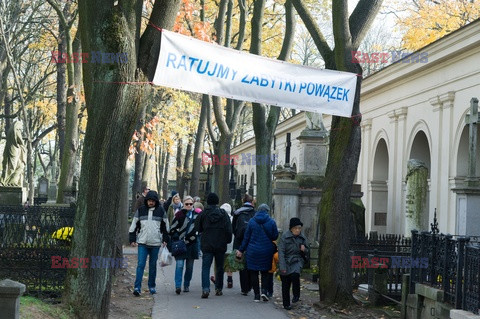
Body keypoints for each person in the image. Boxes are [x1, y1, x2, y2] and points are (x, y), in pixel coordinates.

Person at [129, 190, 169, 296]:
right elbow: (133, 225)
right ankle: (137, 287)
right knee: (140, 265)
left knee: (152, 266)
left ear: (156, 201)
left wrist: (166, 239)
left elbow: (166, 227)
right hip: (142, 242)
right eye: (149, 201)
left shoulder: (161, 211)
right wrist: (132, 239)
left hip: (155, 243)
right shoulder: (140, 210)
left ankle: (152, 286)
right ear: (146, 201)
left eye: (153, 201)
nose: (151, 202)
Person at [236, 204, 278, 302]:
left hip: (252, 251)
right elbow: (275, 236)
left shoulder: (251, 221)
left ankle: (256, 295)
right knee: (265, 272)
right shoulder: (271, 222)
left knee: (253, 272)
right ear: (267, 211)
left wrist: (241, 250)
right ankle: (264, 291)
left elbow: (246, 238)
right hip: (266, 251)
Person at [195, 192, 232, 299]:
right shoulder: (223, 214)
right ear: (217, 202)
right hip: (220, 244)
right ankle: (219, 288)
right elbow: (229, 229)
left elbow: (197, 227)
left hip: (207, 244)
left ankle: (205, 288)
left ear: (207, 202)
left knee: (206, 267)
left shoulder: (203, 214)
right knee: (220, 267)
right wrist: (227, 241)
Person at [169, 196, 200, 294]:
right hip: (180, 244)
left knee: (189, 267)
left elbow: (201, 227)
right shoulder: (179, 215)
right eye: (187, 204)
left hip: (193, 244)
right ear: (183, 204)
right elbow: (172, 228)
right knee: (179, 265)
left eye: (191, 204)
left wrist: (197, 235)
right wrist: (177, 236)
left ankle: (186, 284)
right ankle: (178, 285)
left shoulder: (197, 215)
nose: (189, 206)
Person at [278, 217, 309, 310]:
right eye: (296, 228)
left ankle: (296, 295)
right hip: (286, 261)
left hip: (297, 260)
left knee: (295, 275)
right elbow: (281, 253)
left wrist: (304, 250)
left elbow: (308, 251)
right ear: (291, 228)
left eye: (299, 228)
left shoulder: (302, 238)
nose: (297, 230)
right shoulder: (284, 237)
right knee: (285, 284)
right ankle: (286, 304)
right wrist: (282, 267)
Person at [232, 194, 255, 295]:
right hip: (252, 241)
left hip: (240, 240)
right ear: (252, 202)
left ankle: (244, 288)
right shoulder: (255, 212)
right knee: (251, 263)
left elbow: (233, 227)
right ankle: (250, 285)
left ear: (243, 201)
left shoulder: (237, 213)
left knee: (242, 264)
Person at [210, 203, 234, 288]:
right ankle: (230, 279)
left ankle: (217, 278)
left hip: (221, 244)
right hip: (231, 243)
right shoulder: (233, 219)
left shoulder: (219, 218)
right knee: (229, 263)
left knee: (218, 263)